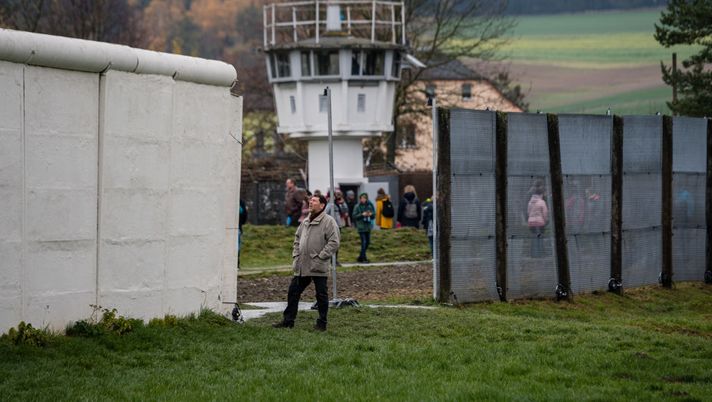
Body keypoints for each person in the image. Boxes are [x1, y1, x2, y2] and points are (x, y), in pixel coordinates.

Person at [273, 194, 340, 331]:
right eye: (310, 200)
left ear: (322, 205)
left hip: (318, 265)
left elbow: (334, 242)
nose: (310, 202)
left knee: (321, 295)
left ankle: (321, 323)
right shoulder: (305, 221)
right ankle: (288, 321)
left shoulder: (329, 221)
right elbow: (297, 239)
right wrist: (296, 255)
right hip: (302, 265)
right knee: (293, 292)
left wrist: (320, 257)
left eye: (314, 201)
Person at [352, 192, 375, 263]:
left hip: (368, 226)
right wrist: (362, 214)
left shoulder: (370, 205)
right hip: (361, 227)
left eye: (364, 198)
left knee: (368, 242)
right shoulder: (357, 206)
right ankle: (364, 258)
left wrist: (370, 214)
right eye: (362, 198)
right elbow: (354, 216)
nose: (363, 199)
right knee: (363, 242)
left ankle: (360, 257)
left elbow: (374, 215)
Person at [527, 186, 549, 258]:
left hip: (531, 223)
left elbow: (528, 212)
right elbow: (545, 213)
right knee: (540, 237)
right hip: (540, 223)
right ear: (540, 195)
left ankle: (533, 254)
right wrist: (545, 220)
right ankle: (540, 254)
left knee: (534, 238)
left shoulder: (530, 202)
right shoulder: (542, 202)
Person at [238, 199, 248, 267]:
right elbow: (244, 216)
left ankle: (237, 264)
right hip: (238, 227)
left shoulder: (241, 203)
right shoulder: (241, 202)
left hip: (238, 227)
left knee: (237, 247)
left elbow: (244, 215)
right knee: (237, 247)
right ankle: (236, 264)